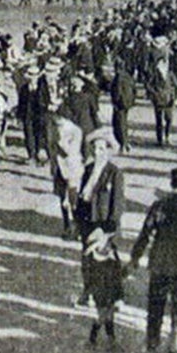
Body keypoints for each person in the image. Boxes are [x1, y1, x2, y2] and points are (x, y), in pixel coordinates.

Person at [127, 168, 177, 353]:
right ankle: (176, 343)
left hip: (160, 262)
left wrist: (135, 258)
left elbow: (145, 233)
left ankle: (152, 341)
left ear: (172, 184)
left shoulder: (159, 205)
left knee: (155, 305)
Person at [74, 127, 125, 307]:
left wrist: (108, 229)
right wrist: (78, 222)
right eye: (95, 149)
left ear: (108, 151)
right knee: (87, 261)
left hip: (105, 224)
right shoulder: (88, 170)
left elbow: (118, 204)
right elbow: (82, 197)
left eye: (101, 149)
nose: (97, 152)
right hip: (89, 221)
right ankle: (87, 292)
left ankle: (117, 296)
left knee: (110, 262)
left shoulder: (114, 173)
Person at [145, 55, 177, 147]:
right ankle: (159, 139)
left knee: (169, 119)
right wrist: (155, 93)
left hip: (169, 100)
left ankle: (167, 136)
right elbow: (148, 85)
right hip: (158, 100)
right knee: (159, 120)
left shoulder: (170, 73)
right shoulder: (154, 74)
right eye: (160, 63)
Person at [17, 66, 49, 165]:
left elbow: (46, 101)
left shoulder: (43, 88)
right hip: (27, 115)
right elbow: (21, 103)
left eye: (34, 75)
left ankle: (40, 155)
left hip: (40, 115)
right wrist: (19, 117)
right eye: (30, 75)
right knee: (28, 134)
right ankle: (31, 155)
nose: (32, 78)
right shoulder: (24, 88)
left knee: (40, 135)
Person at [110, 60, 136, 154]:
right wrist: (132, 101)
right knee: (124, 123)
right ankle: (126, 142)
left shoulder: (118, 78)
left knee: (118, 124)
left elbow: (117, 91)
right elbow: (134, 89)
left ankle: (123, 144)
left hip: (119, 104)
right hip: (127, 103)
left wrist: (115, 102)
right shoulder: (128, 76)